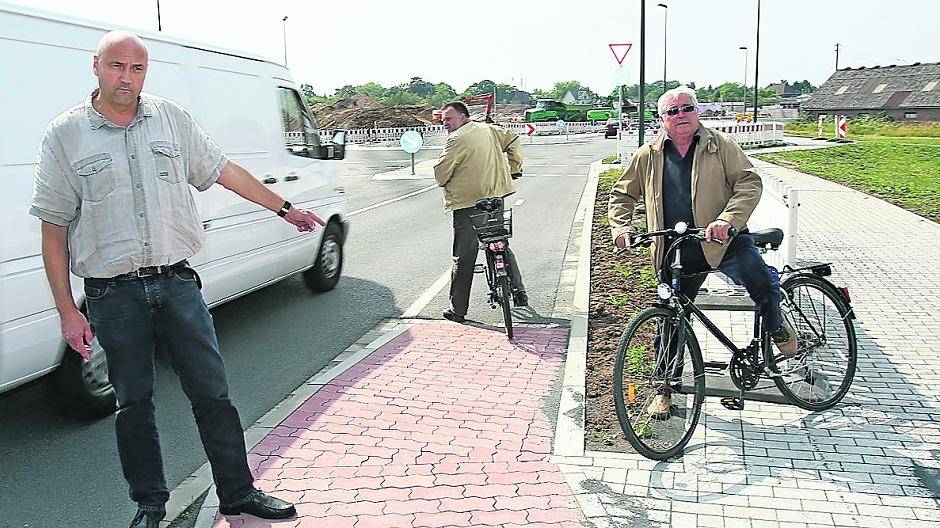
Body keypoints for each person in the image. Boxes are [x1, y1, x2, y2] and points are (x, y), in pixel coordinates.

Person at [28, 31, 317, 527]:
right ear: (96, 66)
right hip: (111, 294)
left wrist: (284, 208)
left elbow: (223, 171)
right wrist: (66, 310)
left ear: (146, 72)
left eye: (136, 68)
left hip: (177, 283)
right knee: (133, 403)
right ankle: (150, 504)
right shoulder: (65, 134)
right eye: (117, 66)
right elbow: (53, 226)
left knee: (213, 392)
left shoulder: (170, 119)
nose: (126, 77)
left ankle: (238, 492)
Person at [608, 86, 797, 418]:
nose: (681, 116)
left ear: (697, 112)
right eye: (672, 111)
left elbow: (748, 182)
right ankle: (664, 388)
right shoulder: (647, 155)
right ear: (661, 119)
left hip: (724, 241)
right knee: (670, 321)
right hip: (676, 248)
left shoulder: (720, 145)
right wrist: (622, 228)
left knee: (762, 284)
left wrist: (728, 219)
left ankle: (776, 325)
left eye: (687, 108)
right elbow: (622, 195)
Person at [434, 102, 527, 323]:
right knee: (499, 242)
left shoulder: (455, 140)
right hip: (496, 197)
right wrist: (515, 168)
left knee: (464, 257)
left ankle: (458, 309)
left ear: (463, 117)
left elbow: (441, 175)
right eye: (443, 120)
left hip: (468, 204)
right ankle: (519, 291)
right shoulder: (490, 129)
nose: (445, 123)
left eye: (449, 119)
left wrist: (444, 179)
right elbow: (513, 138)